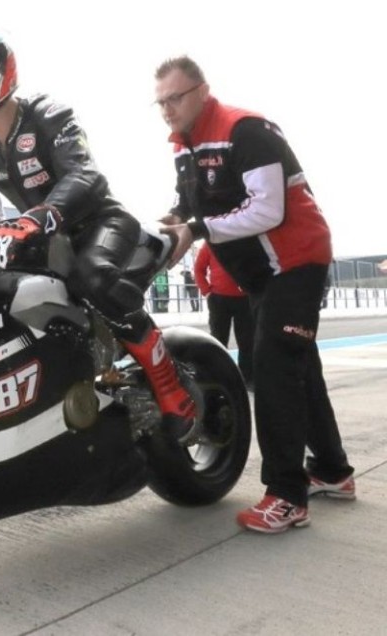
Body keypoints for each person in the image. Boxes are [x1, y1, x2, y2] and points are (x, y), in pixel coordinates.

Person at [0, 27, 197, 442]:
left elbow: (85, 173)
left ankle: (170, 384)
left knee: (91, 276)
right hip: (40, 239)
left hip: (99, 223)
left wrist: (42, 216)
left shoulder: (48, 114)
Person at [154, 55, 355, 534]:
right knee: (300, 365)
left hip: (296, 261)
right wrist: (174, 220)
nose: (166, 108)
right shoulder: (184, 145)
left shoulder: (246, 130)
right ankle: (332, 470)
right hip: (261, 275)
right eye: (160, 101)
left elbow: (267, 208)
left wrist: (197, 228)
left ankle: (287, 496)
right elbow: (191, 202)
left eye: (175, 97)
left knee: (273, 368)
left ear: (203, 90)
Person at [193, 241, 254, 386]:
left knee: (247, 342)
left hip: (245, 299)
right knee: (218, 340)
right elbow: (198, 269)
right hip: (218, 300)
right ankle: (217, 377)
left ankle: (248, 378)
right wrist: (207, 292)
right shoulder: (210, 243)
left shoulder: (247, 241)